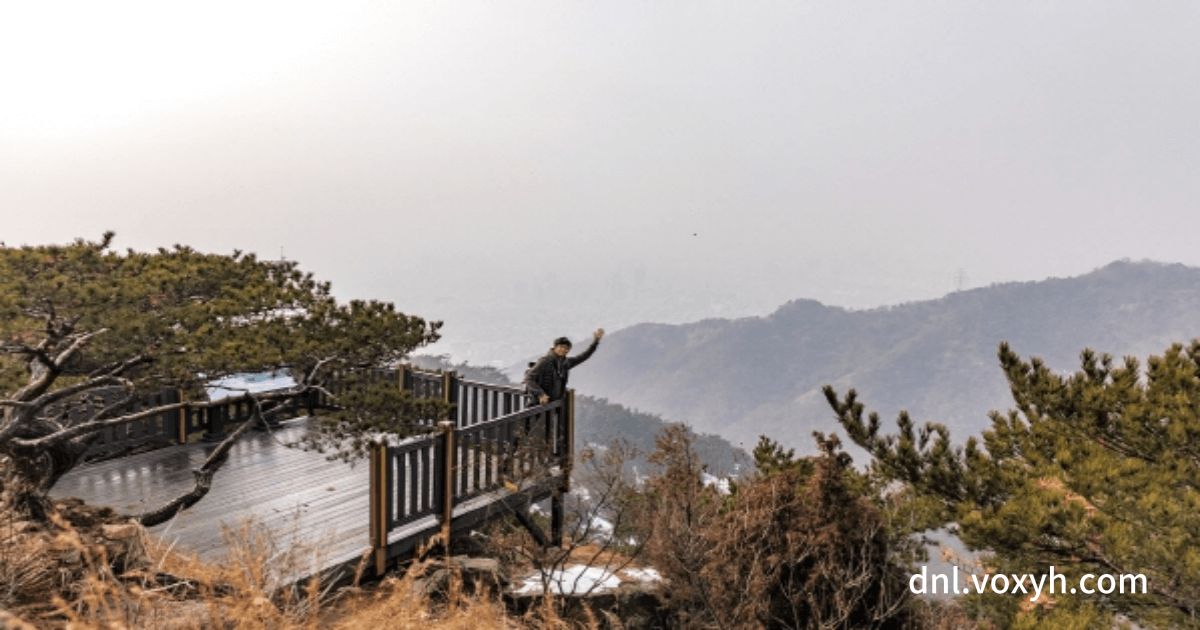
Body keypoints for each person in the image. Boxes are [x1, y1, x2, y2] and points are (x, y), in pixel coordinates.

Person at [524, 329, 605, 405]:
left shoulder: (565, 363)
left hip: (553, 404)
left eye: (566, 348)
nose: (563, 349)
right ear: (555, 347)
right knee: (533, 420)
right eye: (561, 347)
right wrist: (540, 394)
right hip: (539, 404)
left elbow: (584, 356)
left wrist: (596, 341)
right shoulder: (545, 361)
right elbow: (529, 377)